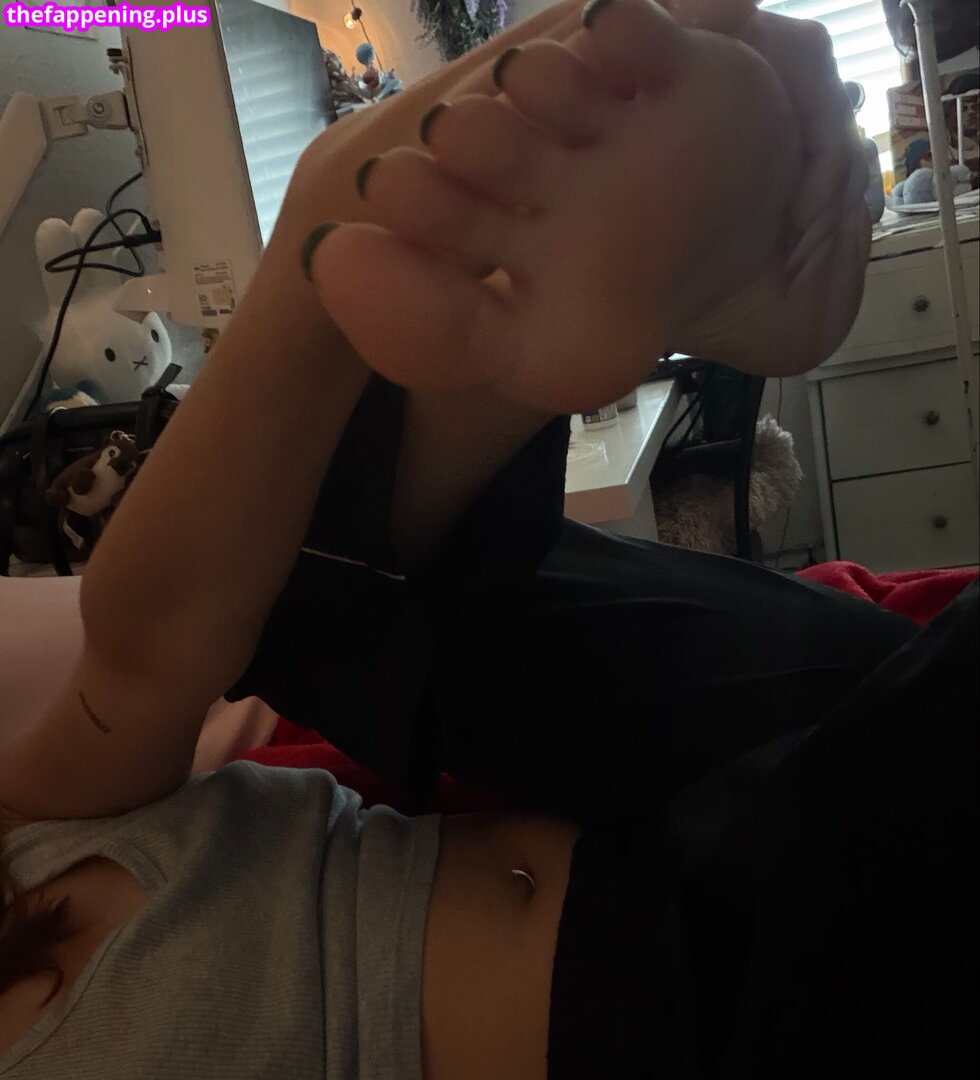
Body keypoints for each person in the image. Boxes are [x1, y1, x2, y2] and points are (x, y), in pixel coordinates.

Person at [1, 3, 975, 1080]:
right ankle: (383, 239)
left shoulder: (20, 841)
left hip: (669, 836)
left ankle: (350, 234)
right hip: (703, 1020)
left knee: (280, 625)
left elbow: (146, 660)